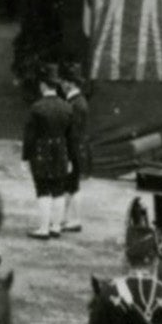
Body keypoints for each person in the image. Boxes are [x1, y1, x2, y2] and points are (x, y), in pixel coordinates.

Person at [22, 75, 78, 239]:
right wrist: (70, 158)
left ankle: (43, 229)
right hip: (61, 153)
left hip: (41, 153)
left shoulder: (37, 108)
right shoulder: (67, 107)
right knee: (58, 190)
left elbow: (29, 136)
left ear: (43, 86)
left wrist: (25, 157)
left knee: (43, 189)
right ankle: (56, 227)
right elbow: (71, 137)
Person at [62, 68, 90, 234]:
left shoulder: (76, 104)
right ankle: (69, 219)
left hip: (73, 150)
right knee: (72, 186)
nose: (62, 85)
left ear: (70, 83)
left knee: (72, 186)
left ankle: (74, 220)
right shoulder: (78, 101)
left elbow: (73, 133)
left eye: (64, 82)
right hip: (77, 150)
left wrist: (68, 156)